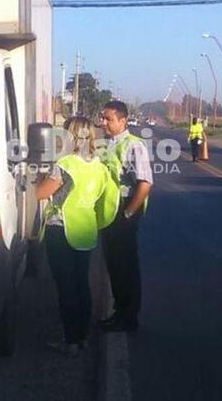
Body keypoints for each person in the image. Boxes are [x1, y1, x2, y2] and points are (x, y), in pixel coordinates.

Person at [36, 116, 119, 355]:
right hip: (86, 231)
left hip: (61, 231)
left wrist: (39, 179)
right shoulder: (99, 165)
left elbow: (41, 194)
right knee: (82, 285)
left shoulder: (66, 164)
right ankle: (82, 336)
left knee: (66, 288)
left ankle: (70, 341)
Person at [98, 100, 153, 332]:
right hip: (109, 212)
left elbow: (145, 183)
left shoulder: (134, 146)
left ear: (123, 121)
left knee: (125, 266)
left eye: (108, 119)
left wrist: (129, 212)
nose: (103, 122)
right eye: (102, 118)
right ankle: (120, 312)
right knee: (114, 265)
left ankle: (128, 317)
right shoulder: (108, 144)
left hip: (123, 210)